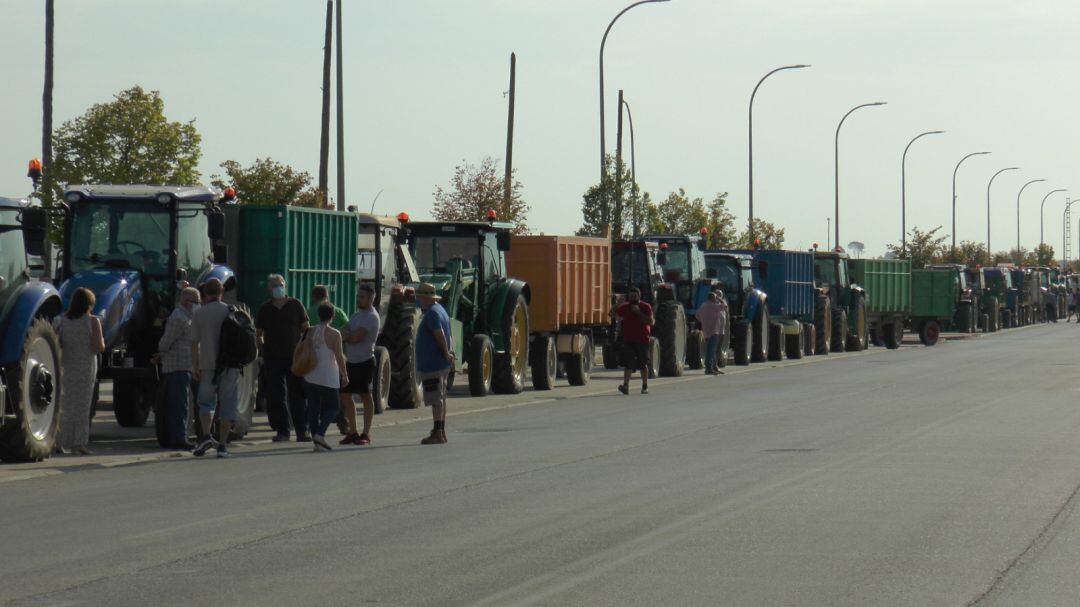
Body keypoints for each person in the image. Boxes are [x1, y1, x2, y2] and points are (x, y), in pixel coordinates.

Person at [255, 274, 310, 442]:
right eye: (274, 285)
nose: (278, 288)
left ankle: (302, 431)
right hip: (273, 358)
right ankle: (283, 431)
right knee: (276, 396)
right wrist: (262, 350)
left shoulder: (295, 304)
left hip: (294, 357)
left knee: (297, 396)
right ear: (269, 289)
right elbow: (258, 333)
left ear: (285, 286)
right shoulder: (265, 309)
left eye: (280, 284)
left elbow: (306, 328)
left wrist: (304, 349)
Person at [190, 278, 240, 458]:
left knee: (205, 403)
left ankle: (206, 435)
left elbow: (194, 343)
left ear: (204, 294)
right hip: (229, 366)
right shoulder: (231, 311)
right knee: (227, 404)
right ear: (222, 292)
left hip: (207, 365)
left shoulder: (199, 313)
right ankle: (223, 444)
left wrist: (195, 366)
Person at [56, 287, 105, 455]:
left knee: (65, 404)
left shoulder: (62, 320)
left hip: (66, 365)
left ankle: (59, 442)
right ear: (89, 304)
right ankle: (78, 443)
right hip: (85, 366)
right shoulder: (92, 321)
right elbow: (98, 346)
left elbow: (58, 343)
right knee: (83, 405)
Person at [301, 302, 349, 452]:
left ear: (318, 315)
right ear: (333, 316)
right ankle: (320, 434)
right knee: (334, 407)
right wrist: (344, 374)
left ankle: (317, 441)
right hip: (328, 376)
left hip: (310, 375)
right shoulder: (335, 334)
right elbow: (339, 356)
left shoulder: (310, 331)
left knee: (313, 409)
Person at [157, 287, 201, 449]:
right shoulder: (178, 317)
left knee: (184, 404)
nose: (199, 305)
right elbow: (165, 342)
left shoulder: (188, 317)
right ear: (186, 302)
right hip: (176, 366)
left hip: (185, 366)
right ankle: (178, 438)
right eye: (196, 302)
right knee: (179, 404)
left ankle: (182, 435)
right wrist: (160, 353)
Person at [339, 283, 381, 446]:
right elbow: (342, 332)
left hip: (365, 361)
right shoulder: (357, 315)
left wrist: (348, 336)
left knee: (365, 395)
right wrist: (347, 335)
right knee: (345, 395)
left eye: (362, 297)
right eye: (358, 296)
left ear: (370, 299)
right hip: (351, 361)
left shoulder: (372, 317)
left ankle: (366, 433)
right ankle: (353, 432)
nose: (359, 299)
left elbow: (357, 338)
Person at [415, 283, 454, 445]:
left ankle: (437, 432)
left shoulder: (432, 314)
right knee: (441, 397)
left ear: (424, 298)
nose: (418, 301)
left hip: (433, 364)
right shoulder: (440, 310)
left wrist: (445, 352)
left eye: (419, 298)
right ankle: (440, 430)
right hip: (440, 363)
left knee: (436, 399)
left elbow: (439, 333)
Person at [615, 287, 654, 395]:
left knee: (643, 364)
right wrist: (617, 304)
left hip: (642, 339)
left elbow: (650, 322)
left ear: (639, 296)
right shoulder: (625, 307)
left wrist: (638, 312)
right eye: (631, 296)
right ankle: (626, 386)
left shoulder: (645, 307)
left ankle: (645, 385)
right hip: (628, 340)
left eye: (635, 296)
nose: (632, 298)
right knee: (628, 364)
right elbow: (612, 314)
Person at [695, 291, 728, 375]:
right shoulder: (714, 306)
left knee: (711, 350)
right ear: (713, 298)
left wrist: (704, 320)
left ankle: (714, 367)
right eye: (715, 297)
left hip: (706, 330)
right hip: (714, 331)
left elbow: (697, 316)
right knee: (711, 350)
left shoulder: (703, 306)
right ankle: (708, 368)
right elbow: (725, 306)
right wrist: (720, 299)